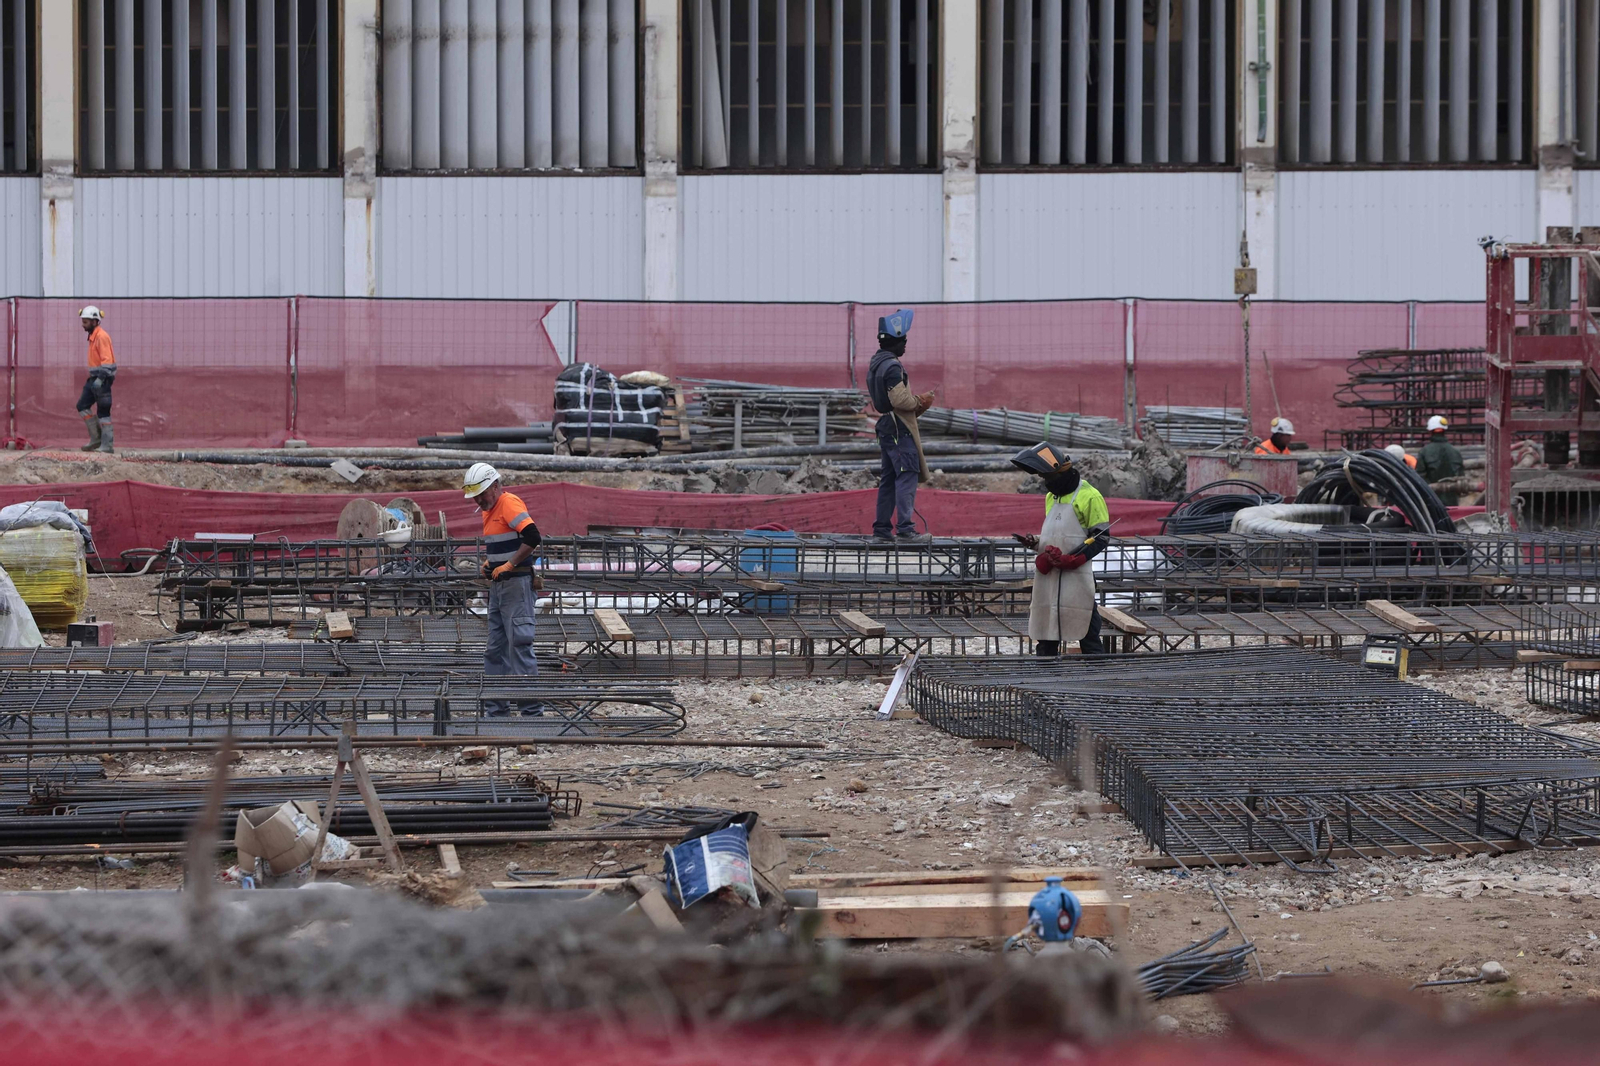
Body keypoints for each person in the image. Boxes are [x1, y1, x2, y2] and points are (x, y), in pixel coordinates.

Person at [1010, 443, 1112, 656]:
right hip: (1050, 578)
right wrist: (1036, 543)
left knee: (1087, 630)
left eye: (1049, 478)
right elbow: (1057, 536)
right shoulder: (1052, 497)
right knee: (1046, 632)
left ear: (1061, 473)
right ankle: (1046, 681)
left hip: (1077, 575)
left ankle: (1099, 678)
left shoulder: (1090, 496)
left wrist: (1075, 559)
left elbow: (1101, 538)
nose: (1047, 483)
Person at [464, 462, 544, 716]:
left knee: (519, 646)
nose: (478, 499)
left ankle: (531, 714)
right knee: (495, 648)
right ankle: (496, 711)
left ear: (495, 486)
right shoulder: (488, 510)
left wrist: (510, 564)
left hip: (517, 586)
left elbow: (532, 537)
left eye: (482, 493)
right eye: (475, 495)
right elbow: (505, 541)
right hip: (499, 588)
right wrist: (493, 563)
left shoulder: (508, 503)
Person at [866, 308, 934, 542]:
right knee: (906, 476)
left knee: (888, 480)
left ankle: (882, 531)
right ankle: (905, 530)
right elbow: (900, 400)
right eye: (903, 341)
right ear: (895, 342)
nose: (905, 345)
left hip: (885, 427)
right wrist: (920, 401)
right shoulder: (893, 367)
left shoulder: (875, 364)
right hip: (898, 429)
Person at [76, 306, 116, 453]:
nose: (83, 324)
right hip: (95, 379)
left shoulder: (101, 337)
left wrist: (100, 379)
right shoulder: (93, 336)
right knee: (82, 406)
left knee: (103, 412)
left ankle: (107, 445)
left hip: (103, 379)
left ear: (94, 321)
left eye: (85, 322)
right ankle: (97, 439)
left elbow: (107, 362)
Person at [1415, 414, 1465, 505]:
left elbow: (1420, 478)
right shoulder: (1455, 452)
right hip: (1452, 503)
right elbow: (1461, 476)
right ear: (1444, 430)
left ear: (1430, 431)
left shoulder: (1424, 452)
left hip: (1432, 503)